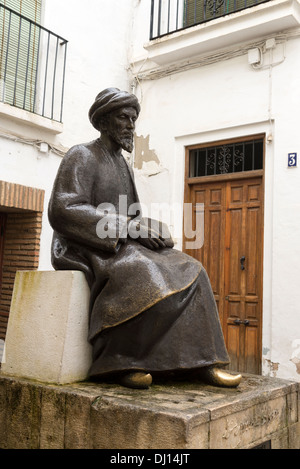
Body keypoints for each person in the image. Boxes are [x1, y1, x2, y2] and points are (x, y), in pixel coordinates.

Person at [48, 88, 241, 389]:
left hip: (122, 240)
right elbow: (64, 209)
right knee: (144, 272)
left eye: (133, 119)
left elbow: (132, 215)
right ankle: (119, 360)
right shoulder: (81, 155)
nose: (130, 125)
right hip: (87, 244)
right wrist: (126, 228)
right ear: (103, 122)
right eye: (123, 118)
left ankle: (204, 361)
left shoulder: (125, 166)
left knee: (193, 269)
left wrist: (151, 231)